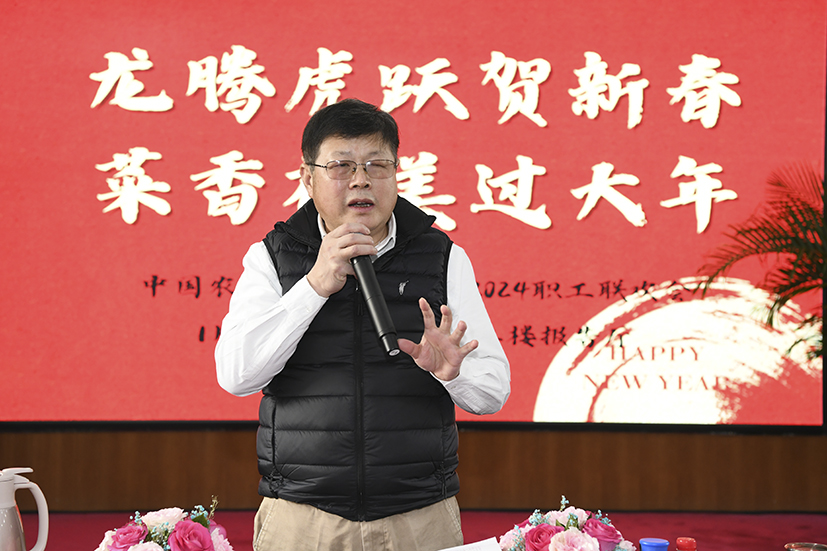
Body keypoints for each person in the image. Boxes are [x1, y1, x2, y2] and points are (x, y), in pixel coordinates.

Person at [215, 98, 510, 551]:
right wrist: (314, 285)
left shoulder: (442, 257)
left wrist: (452, 374)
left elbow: (492, 393)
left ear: (396, 172)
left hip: (419, 517)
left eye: (377, 164)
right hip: (302, 518)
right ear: (307, 177)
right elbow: (237, 376)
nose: (360, 179)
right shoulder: (271, 256)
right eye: (341, 166)